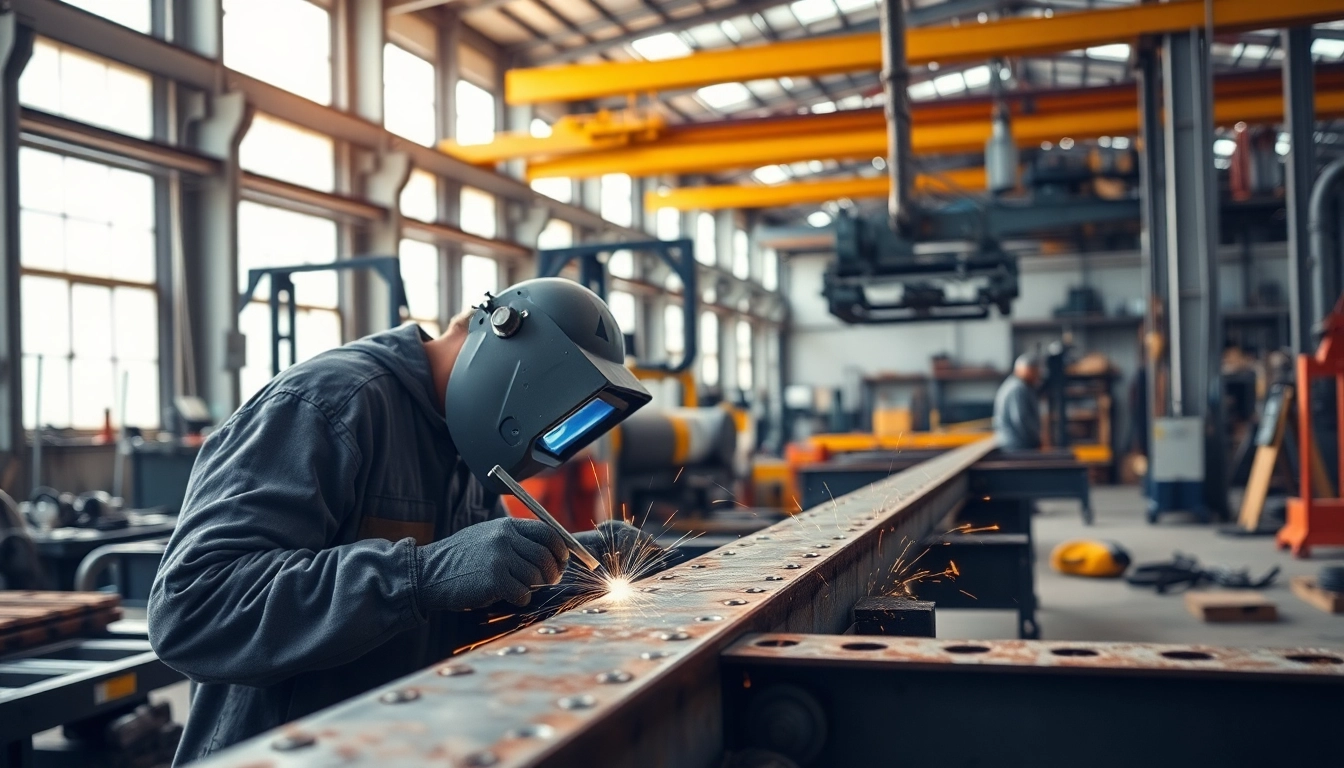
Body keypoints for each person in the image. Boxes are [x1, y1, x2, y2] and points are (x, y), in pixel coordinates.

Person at [148, 278, 654, 764]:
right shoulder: (327, 405)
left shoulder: (470, 441)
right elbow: (193, 608)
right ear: (508, 351)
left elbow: (461, 600)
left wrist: (565, 574)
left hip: (392, 743)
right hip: (276, 753)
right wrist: (419, 574)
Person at [993, 353, 1043, 450]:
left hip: (1016, 443)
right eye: (1035, 371)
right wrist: (1036, 439)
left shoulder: (1019, 385)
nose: (1037, 375)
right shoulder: (1017, 388)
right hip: (1016, 445)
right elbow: (1021, 419)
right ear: (1025, 369)